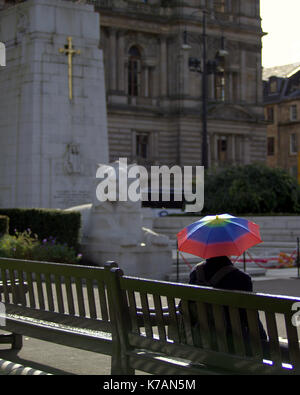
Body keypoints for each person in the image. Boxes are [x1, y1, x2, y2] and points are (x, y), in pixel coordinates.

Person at [187, 255, 290, 362]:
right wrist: (263, 338)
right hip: (235, 348)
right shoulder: (241, 278)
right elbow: (250, 319)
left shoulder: (196, 273)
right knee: (285, 351)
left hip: (200, 343)